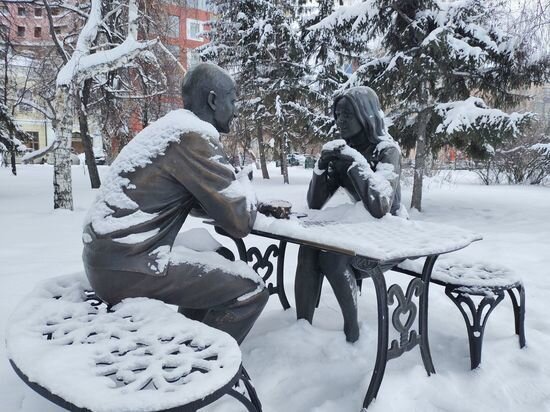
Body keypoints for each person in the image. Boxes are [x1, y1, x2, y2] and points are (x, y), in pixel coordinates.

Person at [82, 63, 269, 344]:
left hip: (108, 260)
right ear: (213, 100)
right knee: (251, 291)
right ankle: (201, 369)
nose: (236, 109)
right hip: (129, 268)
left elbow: (187, 199)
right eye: (233, 100)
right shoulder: (194, 137)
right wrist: (243, 183)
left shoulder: (169, 129)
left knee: (219, 255)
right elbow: (240, 221)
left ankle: (185, 340)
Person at [294, 86, 404, 343]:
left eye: (346, 115)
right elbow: (315, 203)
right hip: (359, 229)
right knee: (308, 249)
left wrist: (355, 163)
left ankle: (352, 332)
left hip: (394, 234)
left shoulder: (387, 151)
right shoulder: (344, 152)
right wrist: (322, 166)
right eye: (337, 115)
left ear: (365, 115)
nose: (340, 121)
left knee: (334, 257)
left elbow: (381, 205)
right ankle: (302, 327)